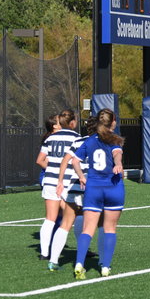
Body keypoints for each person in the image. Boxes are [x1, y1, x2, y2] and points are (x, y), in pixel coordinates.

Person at [72, 109, 125, 279]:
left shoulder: (89, 141)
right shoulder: (114, 139)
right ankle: (105, 267)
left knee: (88, 229)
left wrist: (81, 177)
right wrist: (118, 164)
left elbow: (75, 160)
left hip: (93, 188)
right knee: (109, 228)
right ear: (113, 122)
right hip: (113, 187)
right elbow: (117, 154)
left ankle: (79, 263)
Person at [50, 116, 101, 272]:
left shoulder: (78, 141)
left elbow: (66, 160)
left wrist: (60, 181)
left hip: (74, 185)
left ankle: (53, 261)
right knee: (99, 223)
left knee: (66, 223)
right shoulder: (102, 142)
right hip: (92, 185)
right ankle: (97, 261)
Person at [35, 110, 80, 260]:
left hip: (50, 181)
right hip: (67, 182)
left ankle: (44, 253)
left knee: (50, 218)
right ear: (72, 122)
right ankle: (81, 249)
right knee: (76, 216)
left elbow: (40, 159)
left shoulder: (50, 138)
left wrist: (52, 169)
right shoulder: (76, 138)